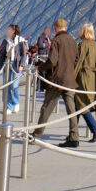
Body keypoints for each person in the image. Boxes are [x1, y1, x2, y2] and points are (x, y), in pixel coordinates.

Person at [31, 18, 80, 148]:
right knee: (71, 109)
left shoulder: (56, 40)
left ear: (55, 29)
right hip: (69, 79)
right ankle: (74, 136)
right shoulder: (73, 40)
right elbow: (76, 59)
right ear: (66, 28)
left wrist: (40, 68)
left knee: (47, 107)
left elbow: (52, 61)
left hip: (57, 80)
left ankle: (37, 134)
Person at [75, 23, 96, 142]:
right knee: (77, 105)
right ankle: (73, 133)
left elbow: (79, 62)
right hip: (93, 77)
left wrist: (71, 76)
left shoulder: (83, 44)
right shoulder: (95, 45)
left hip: (83, 77)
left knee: (81, 104)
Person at [3, 24, 27, 114]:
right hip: (8, 64)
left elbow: (24, 55)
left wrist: (22, 65)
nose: (7, 31)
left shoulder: (21, 40)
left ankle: (16, 103)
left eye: (8, 29)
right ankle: (9, 106)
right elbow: (1, 53)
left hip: (16, 65)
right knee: (8, 85)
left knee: (14, 85)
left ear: (13, 31)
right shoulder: (6, 40)